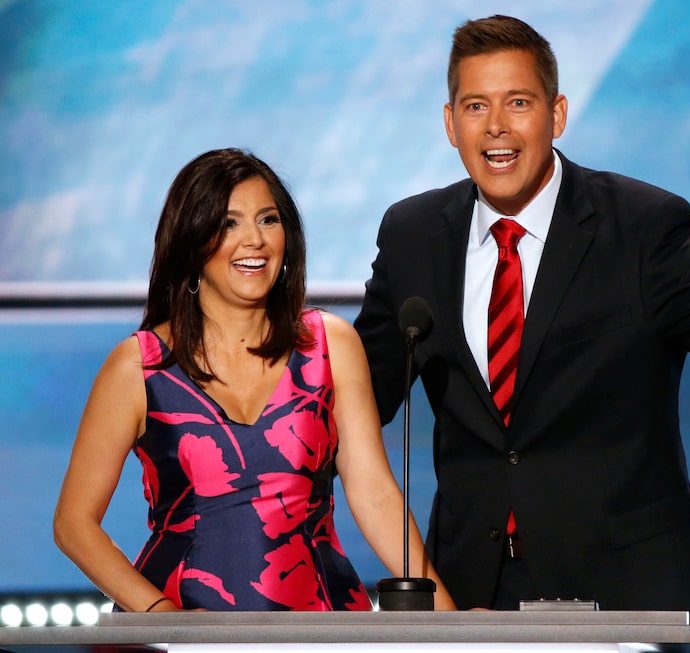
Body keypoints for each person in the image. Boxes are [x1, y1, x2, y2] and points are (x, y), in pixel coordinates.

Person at [354, 15, 690, 623]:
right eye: (476, 106)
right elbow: (358, 392)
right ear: (450, 123)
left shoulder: (644, 225)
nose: (496, 128)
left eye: (518, 103)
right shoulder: (413, 237)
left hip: (622, 594)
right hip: (468, 596)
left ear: (557, 114)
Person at [54, 148, 455, 612]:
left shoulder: (330, 345)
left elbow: (375, 495)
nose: (255, 241)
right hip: (185, 632)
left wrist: (451, 626)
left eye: (268, 220)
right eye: (228, 224)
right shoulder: (139, 366)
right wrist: (164, 618)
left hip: (318, 625)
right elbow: (73, 523)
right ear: (190, 241)